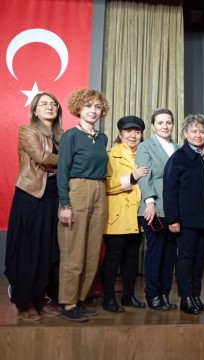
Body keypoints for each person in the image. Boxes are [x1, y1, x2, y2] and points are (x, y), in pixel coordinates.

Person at [5, 92, 63, 321]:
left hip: (53, 196)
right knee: (27, 250)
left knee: (48, 250)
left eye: (53, 104)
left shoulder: (62, 136)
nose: (49, 107)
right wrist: (68, 158)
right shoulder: (27, 130)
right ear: (35, 110)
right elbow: (40, 156)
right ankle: (23, 302)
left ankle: (40, 299)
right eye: (43, 104)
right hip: (31, 195)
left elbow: (56, 163)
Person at [57, 88, 109, 322]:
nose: (93, 111)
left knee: (91, 253)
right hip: (77, 190)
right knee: (73, 251)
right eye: (88, 106)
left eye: (97, 107)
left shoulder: (102, 138)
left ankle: (79, 298)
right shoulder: (71, 135)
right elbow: (62, 172)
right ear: (79, 108)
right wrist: (64, 204)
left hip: (100, 190)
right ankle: (68, 304)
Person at [163, 114, 204, 315]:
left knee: (200, 258)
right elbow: (169, 190)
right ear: (185, 133)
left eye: (202, 131)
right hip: (186, 219)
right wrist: (173, 219)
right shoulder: (179, 158)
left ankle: (196, 295)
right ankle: (186, 298)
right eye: (193, 131)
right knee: (186, 258)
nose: (198, 135)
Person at [102, 116, 148, 313]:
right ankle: (109, 297)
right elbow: (107, 185)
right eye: (128, 131)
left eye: (137, 132)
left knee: (131, 258)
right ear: (120, 134)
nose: (133, 135)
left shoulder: (145, 154)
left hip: (138, 215)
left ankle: (128, 295)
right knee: (114, 257)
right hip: (117, 215)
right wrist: (132, 177)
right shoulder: (110, 155)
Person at [136, 108, 180, 311]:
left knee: (170, 253)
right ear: (153, 126)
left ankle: (164, 293)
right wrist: (150, 202)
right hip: (154, 208)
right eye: (160, 123)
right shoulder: (145, 147)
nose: (165, 126)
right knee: (156, 252)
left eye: (168, 122)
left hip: (173, 210)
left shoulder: (178, 148)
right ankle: (153, 294)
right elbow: (145, 175)